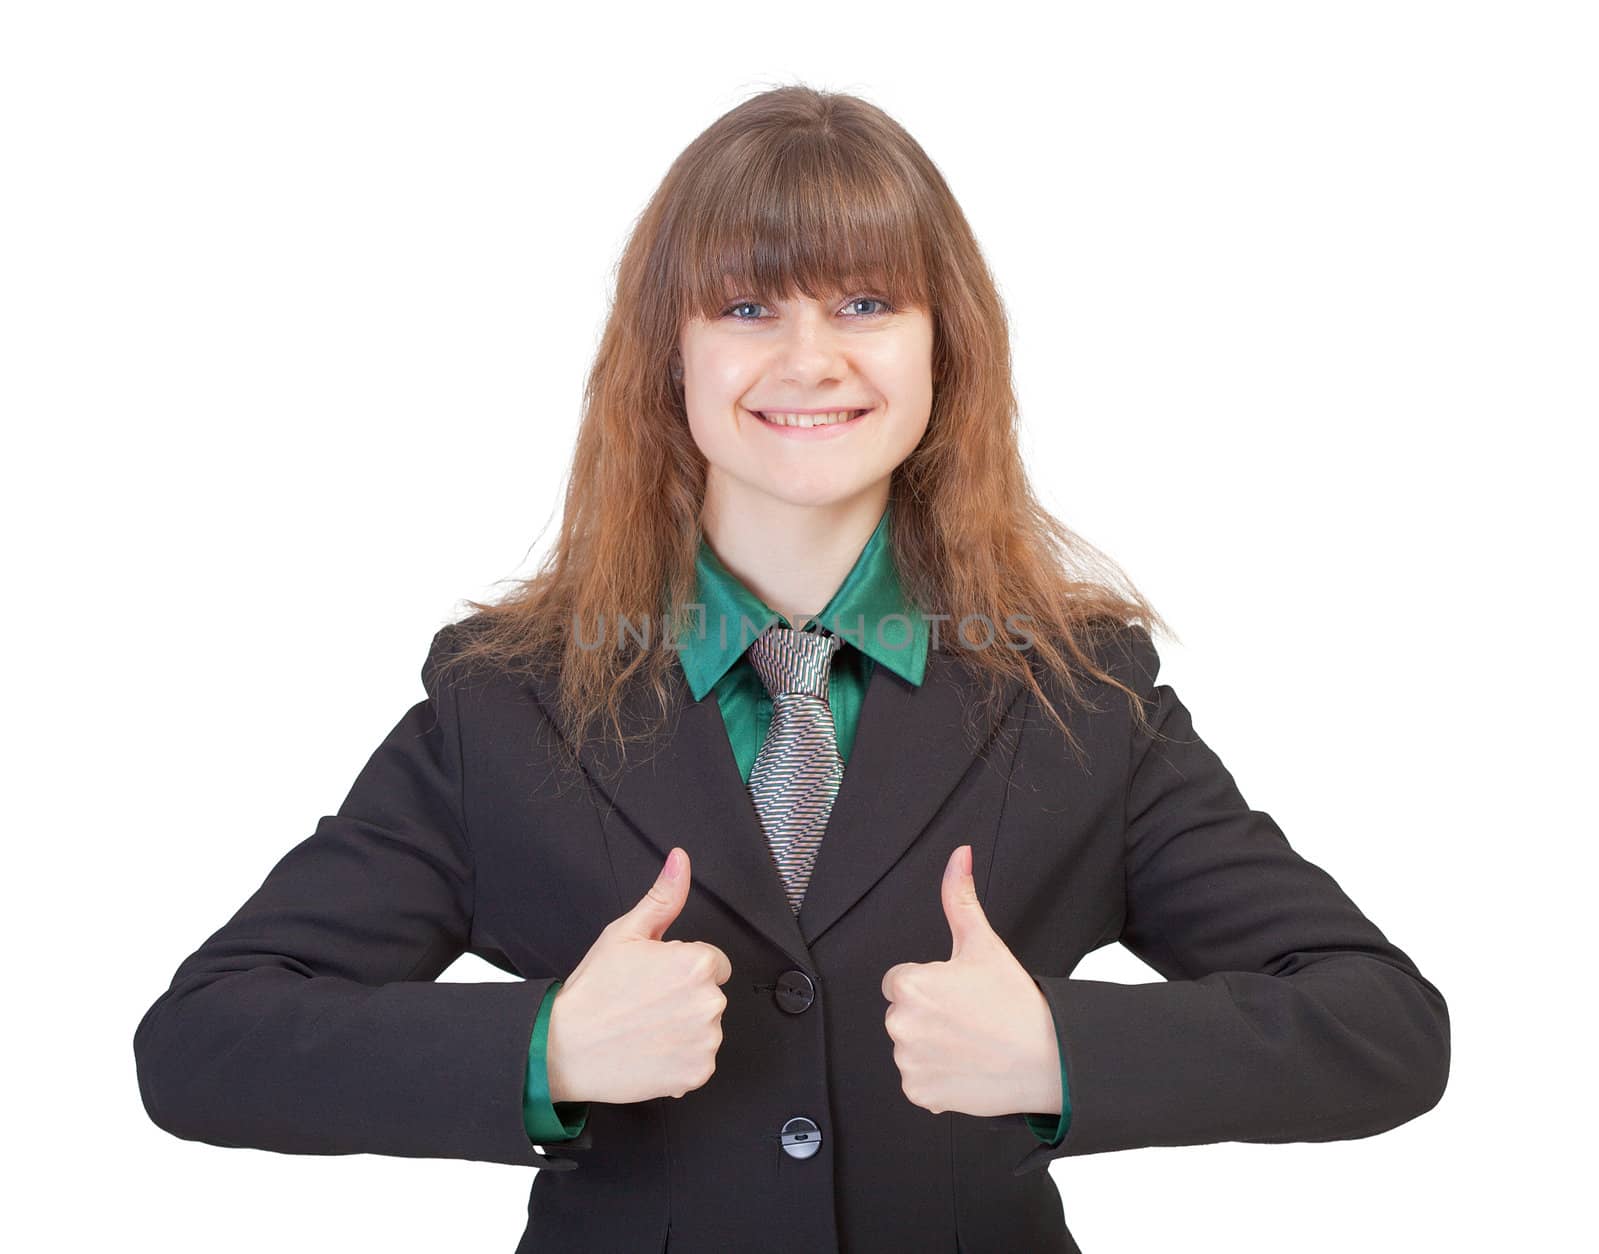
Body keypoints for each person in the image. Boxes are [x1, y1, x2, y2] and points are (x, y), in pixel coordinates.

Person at [133, 84, 1450, 1253]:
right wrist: (545, 1047)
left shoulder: (1081, 696)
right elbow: (204, 1041)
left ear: (946, 348)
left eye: (867, 302)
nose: (810, 356)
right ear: (673, 356)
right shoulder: (507, 702)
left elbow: (1383, 1024)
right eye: (749, 304)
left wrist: (1061, 1048)